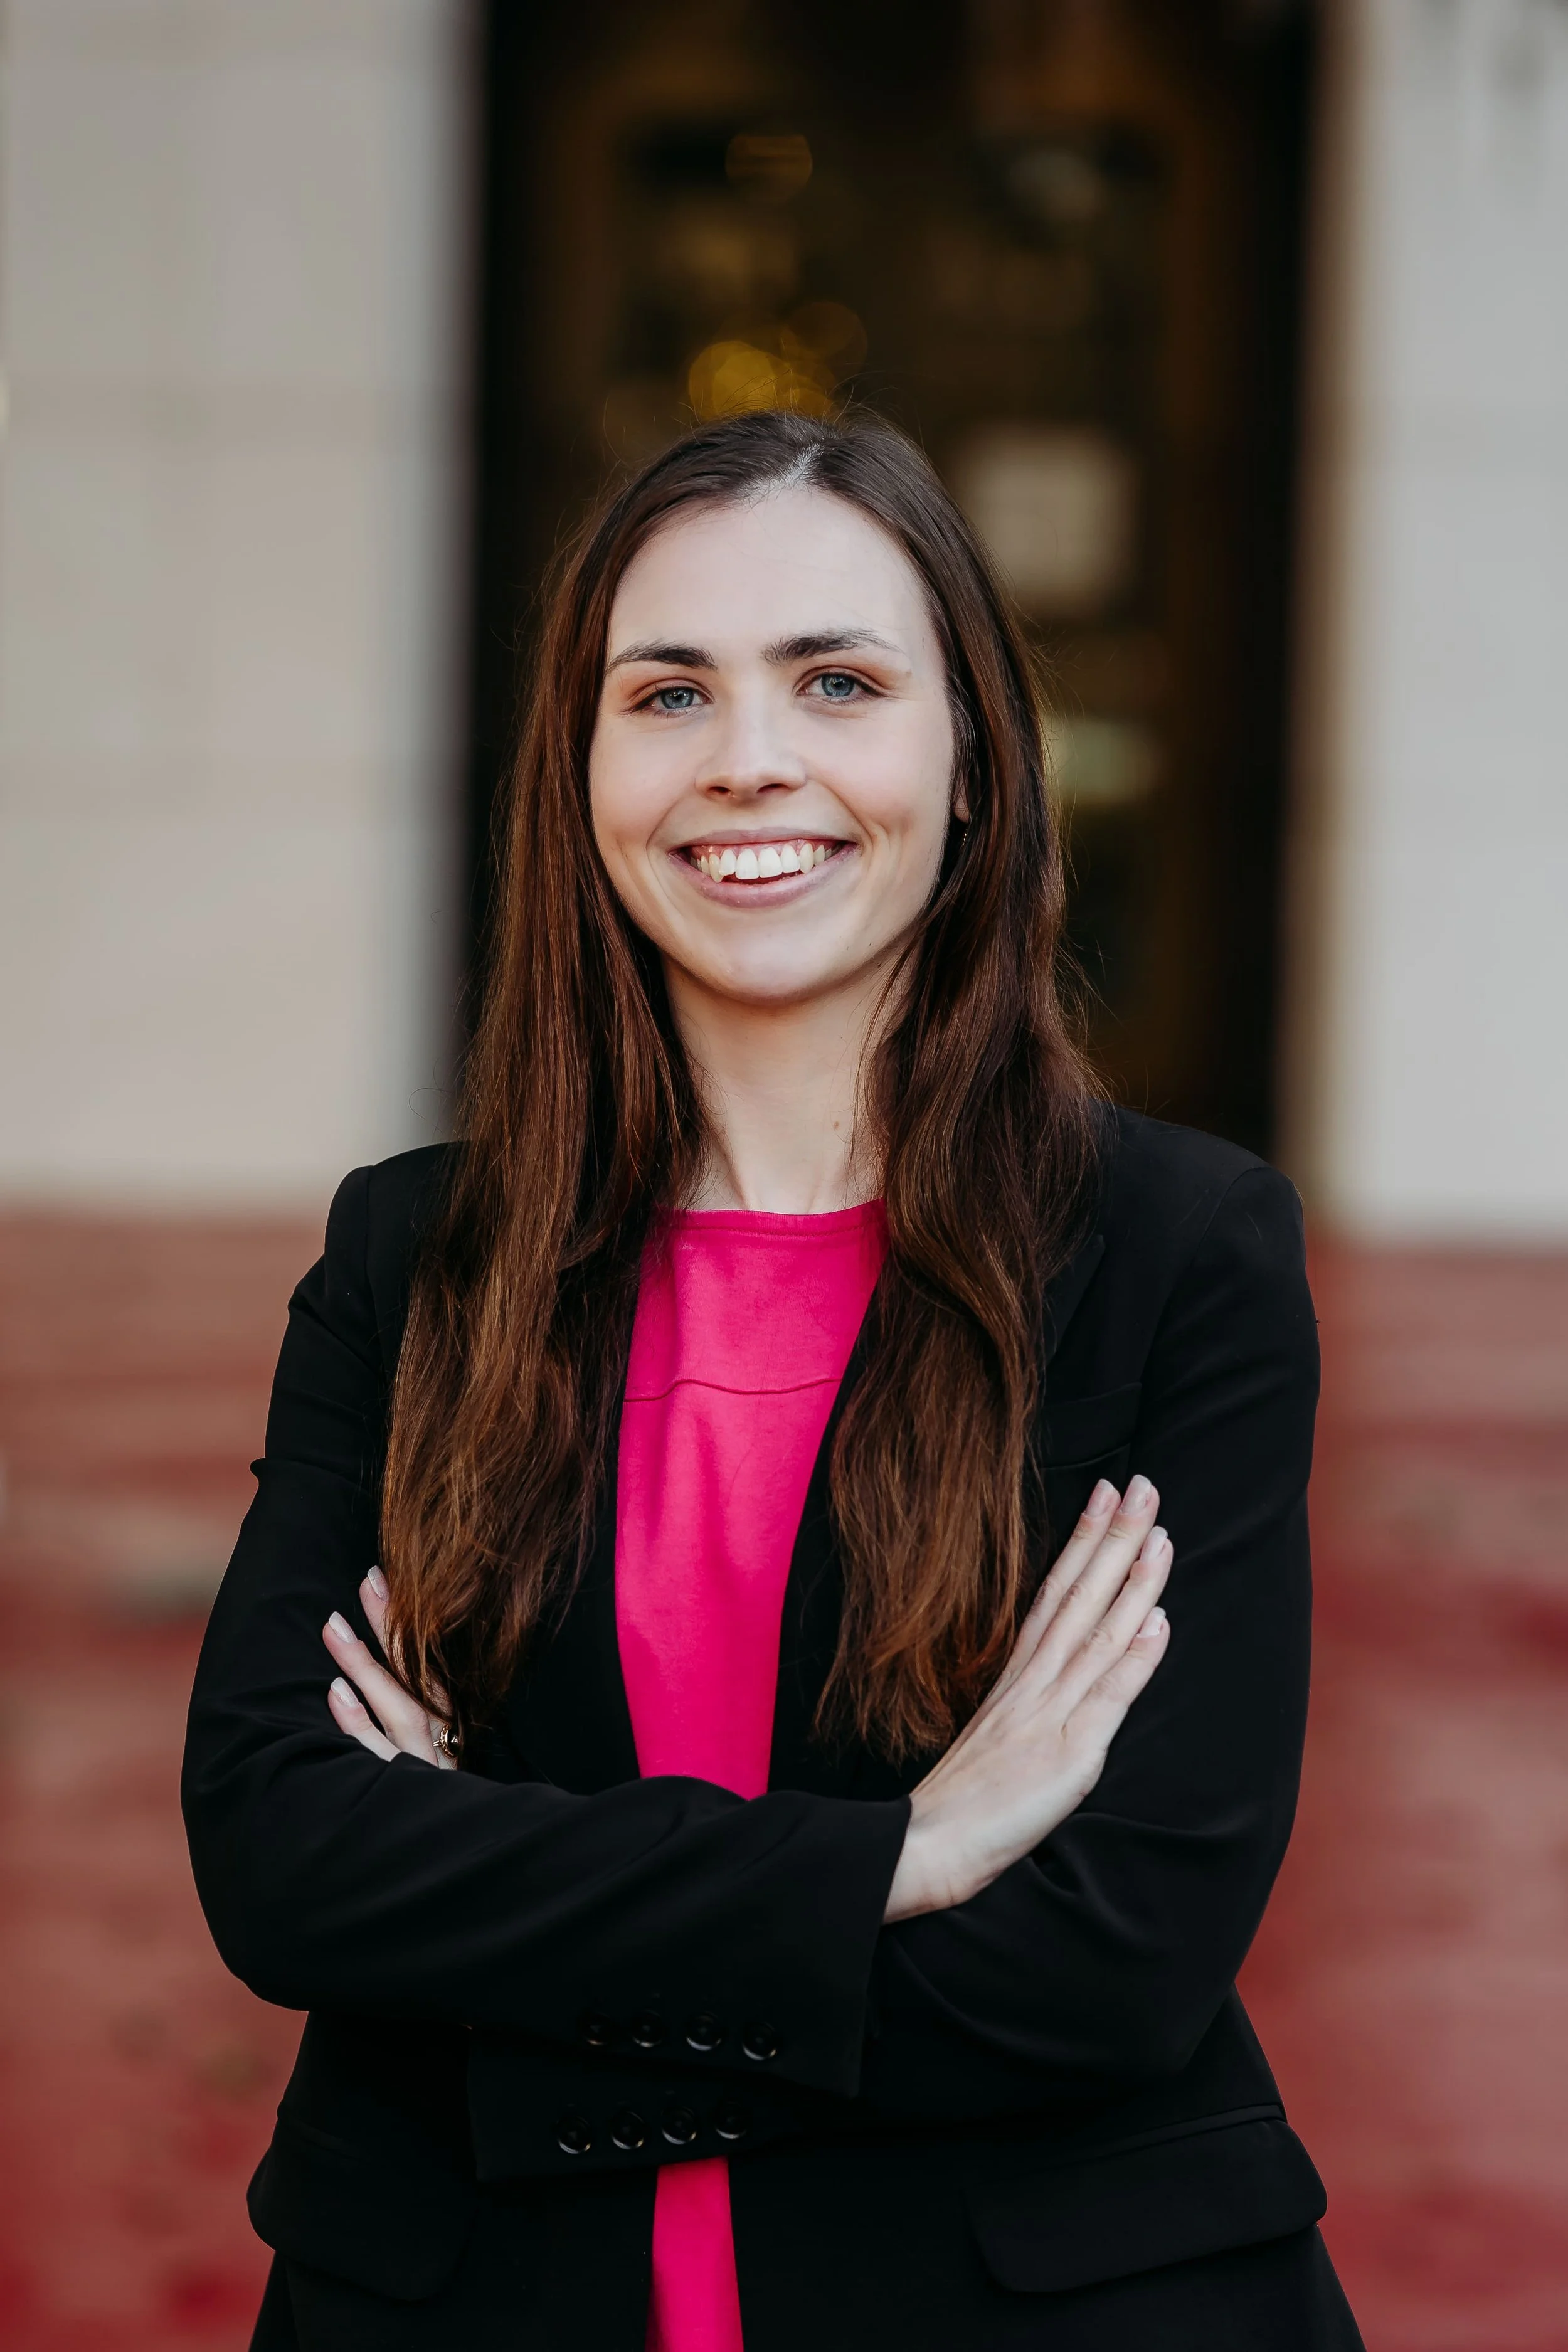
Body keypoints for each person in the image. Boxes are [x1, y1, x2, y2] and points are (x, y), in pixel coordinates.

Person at [183, 408, 1363, 2352]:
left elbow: (1113, 1958)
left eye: (836, 680)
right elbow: (285, 1857)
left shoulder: (1177, 1257)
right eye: (669, 691)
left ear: (971, 760)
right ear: (580, 772)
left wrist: (511, 1976)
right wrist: (901, 1856)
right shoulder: (413, 1259)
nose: (751, 757)